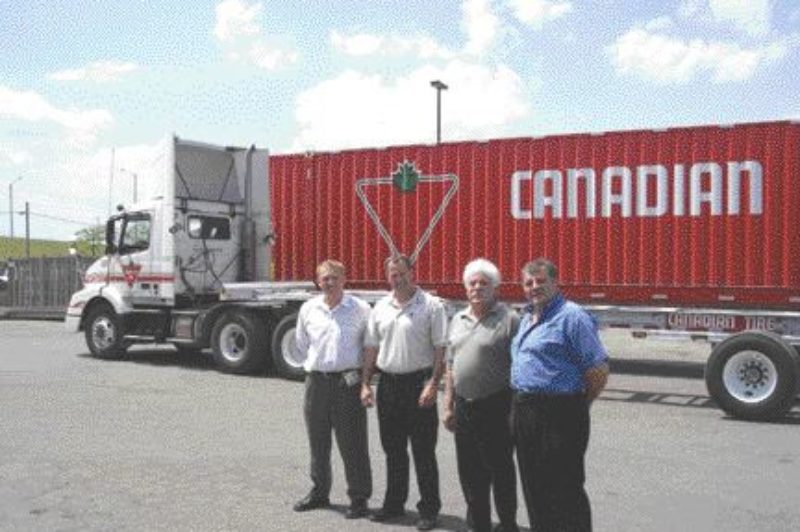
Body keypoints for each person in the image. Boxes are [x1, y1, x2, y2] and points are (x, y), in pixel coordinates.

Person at [510, 258, 609, 532]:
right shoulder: (527, 317)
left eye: (541, 281)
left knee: (565, 486)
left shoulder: (572, 317)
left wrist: (580, 403)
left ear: (555, 282)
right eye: (528, 282)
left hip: (561, 413)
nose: (534, 287)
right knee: (534, 485)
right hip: (526, 409)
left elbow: (597, 369)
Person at [361, 255, 448, 531]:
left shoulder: (431, 306)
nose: (397, 279)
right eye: (393, 275)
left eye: (402, 273)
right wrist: (365, 382)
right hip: (388, 386)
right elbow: (372, 348)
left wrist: (433, 384)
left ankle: (429, 510)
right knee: (393, 450)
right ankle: (394, 504)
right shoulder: (381, 307)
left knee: (423, 451)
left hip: (418, 385)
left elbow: (440, 350)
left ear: (413, 272)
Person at [443, 259, 520, 532]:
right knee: (470, 473)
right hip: (465, 407)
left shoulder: (509, 319)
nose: (477, 288)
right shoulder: (457, 320)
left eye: (483, 283)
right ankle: (479, 525)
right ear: (466, 288)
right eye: (472, 283)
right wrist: (448, 405)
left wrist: (514, 411)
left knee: (500, 471)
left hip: (496, 405)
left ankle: (508, 524)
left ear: (495, 288)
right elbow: (451, 366)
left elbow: (519, 367)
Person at [292, 259, 372, 519]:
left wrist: (365, 382)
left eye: (334, 278)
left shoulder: (359, 309)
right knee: (318, 441)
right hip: (316, 382)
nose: (329, 282)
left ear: (344, 279)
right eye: (324, 278)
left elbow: (370, 345)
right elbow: (302, 343)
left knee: (353, 444)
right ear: (317, 281)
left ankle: (359, 498)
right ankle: (319, 492)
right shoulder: (309, 309)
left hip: (347, 383)